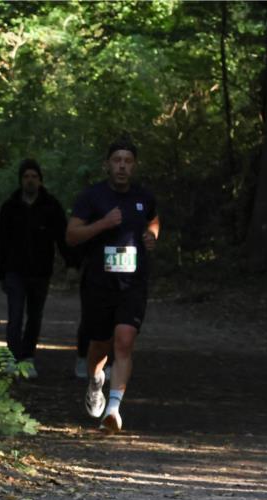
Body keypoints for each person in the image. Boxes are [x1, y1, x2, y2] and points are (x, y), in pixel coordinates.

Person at [65, 138, 160, 432]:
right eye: (117, 160)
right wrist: (103, 224)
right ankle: (95, 381)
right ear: (107, 165)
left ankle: (114, 408)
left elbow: (154, 221)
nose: (122, 165)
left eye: (128, 161)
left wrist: (152, 236)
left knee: (125, 341)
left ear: (134, 165)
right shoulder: (92, 197)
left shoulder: (144, 197)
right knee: (100, 346)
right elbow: (71, 235)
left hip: (133, 282)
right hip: (99, 283)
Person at [0, 158, 71, 378]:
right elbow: (2, 241)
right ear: (21, 180)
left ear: (40, 180)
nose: (30, 180)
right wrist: (1, 273)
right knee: (16, 315)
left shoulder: (51, 205)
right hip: (14, 271)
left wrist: (72, 263)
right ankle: (12, 358)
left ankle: (28, 358)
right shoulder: (10, 207)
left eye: (34, 177)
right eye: (26, 176)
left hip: (41, 271)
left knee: (35, 316)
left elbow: (62, 237)